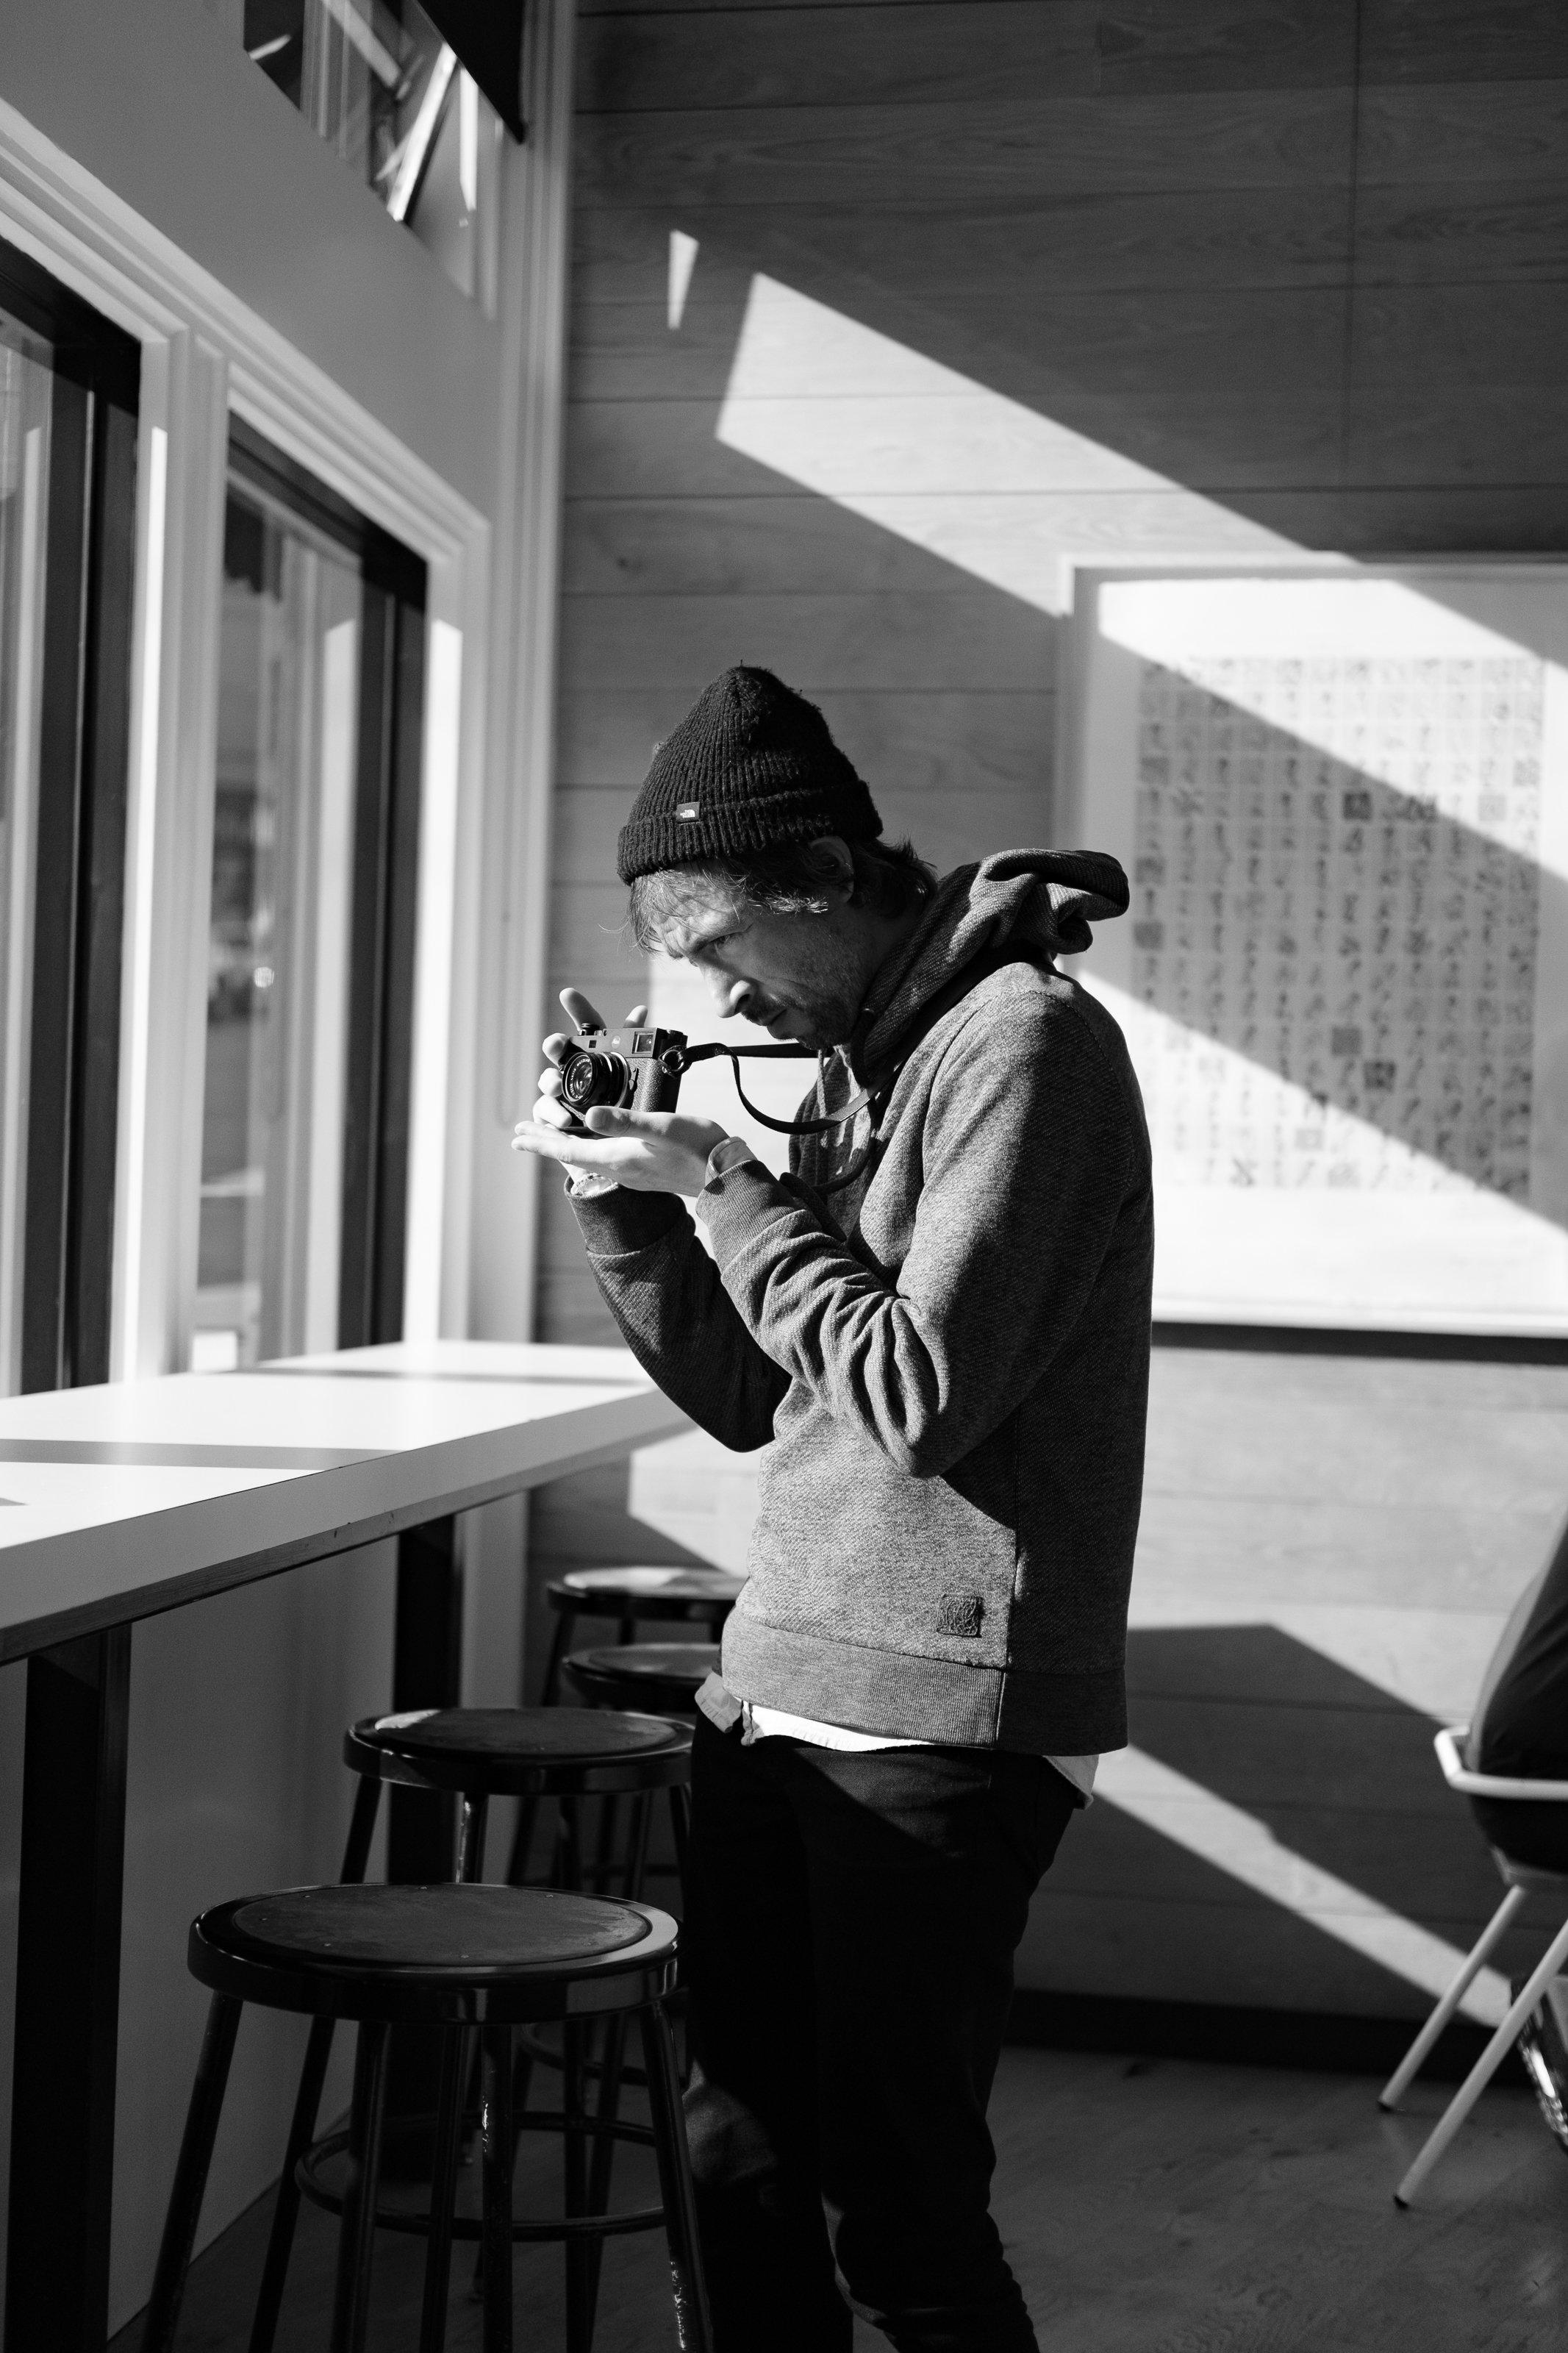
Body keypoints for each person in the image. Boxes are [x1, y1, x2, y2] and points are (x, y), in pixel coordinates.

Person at [513, 666, 1153, 2353]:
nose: (720, 995)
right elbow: (759, 1397)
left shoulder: (1022, 1049)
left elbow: (918, 1393)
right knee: (730, 2151)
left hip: (937, 1711)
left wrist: (724, 1184)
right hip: (779, 1679)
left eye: (726, 951)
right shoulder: (869, 1057)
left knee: (901, 2209)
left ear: (812, 878)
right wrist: (629, 1206)